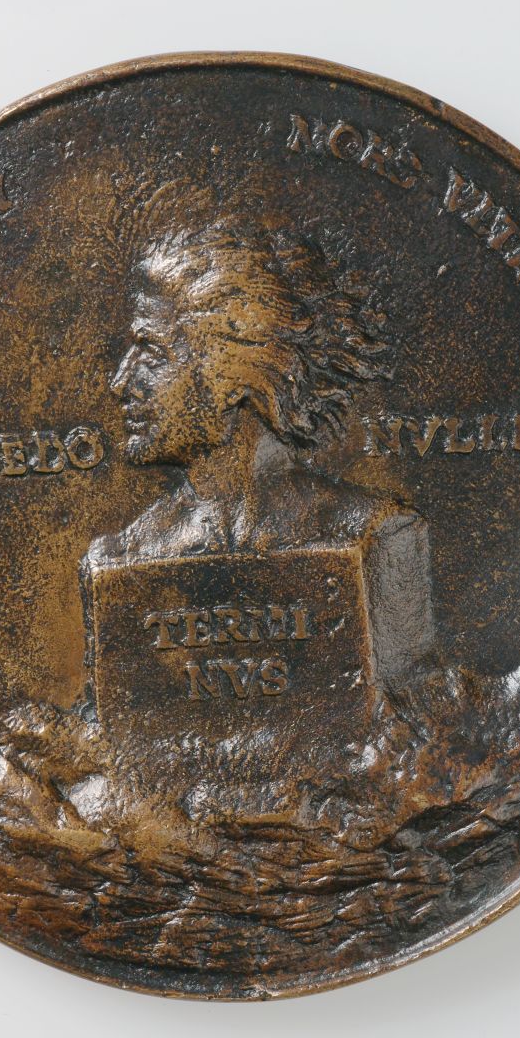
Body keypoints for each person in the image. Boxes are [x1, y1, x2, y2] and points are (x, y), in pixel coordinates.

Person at [83, 219, 436, 687]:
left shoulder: (377, 536)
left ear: (232, 373)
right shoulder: (120, 559)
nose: (121, 381)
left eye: (151, 352)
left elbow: (415, 711)